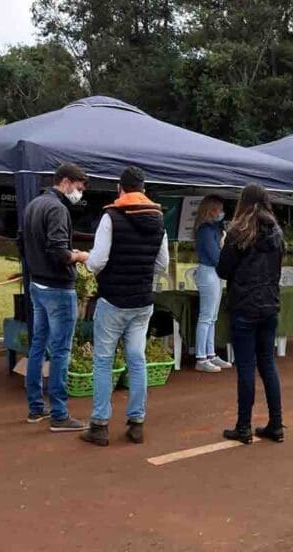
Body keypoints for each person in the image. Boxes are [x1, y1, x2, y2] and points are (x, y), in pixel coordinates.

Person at [80, 167, 168, 447]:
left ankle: (99, 424)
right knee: (137, 359)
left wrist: (84, 257)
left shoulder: (111, 217)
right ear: (143, 190)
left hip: (113, 300)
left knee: (104, 361)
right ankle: (137, 423)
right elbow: (162, 265)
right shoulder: (158, 220)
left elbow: (97, 262)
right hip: (142, 302)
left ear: (120, 189)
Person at [21, 162, 90, 432]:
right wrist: (80, 256)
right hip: (58, 288)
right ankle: (60, 414)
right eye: (79, 187)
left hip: (37, 284)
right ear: (66, 181)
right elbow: (59, 252)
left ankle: (36, 408)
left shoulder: (34, 205)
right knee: (61, 350)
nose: (79, 193)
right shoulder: (58, 209)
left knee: (38, 346)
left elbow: (23, 241)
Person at [216, 184, 285, 445]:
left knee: (246, 366)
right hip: (269, 305)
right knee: (268, 363)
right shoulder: (277, 233)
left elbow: (223, 270)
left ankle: (243, 426)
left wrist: (225, 245)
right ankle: (276, 424)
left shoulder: (237, 233)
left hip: (244, 305)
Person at [192, 195, 232, 373]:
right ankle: (201, 357)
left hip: (213, 273)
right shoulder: (206, 230)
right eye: (219, 209)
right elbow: (215, 255)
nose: (221, 213)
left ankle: (210, 353)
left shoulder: (213, 229)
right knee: (206, 316)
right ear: (211, 210)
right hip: (208, 272)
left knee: (212, 317)